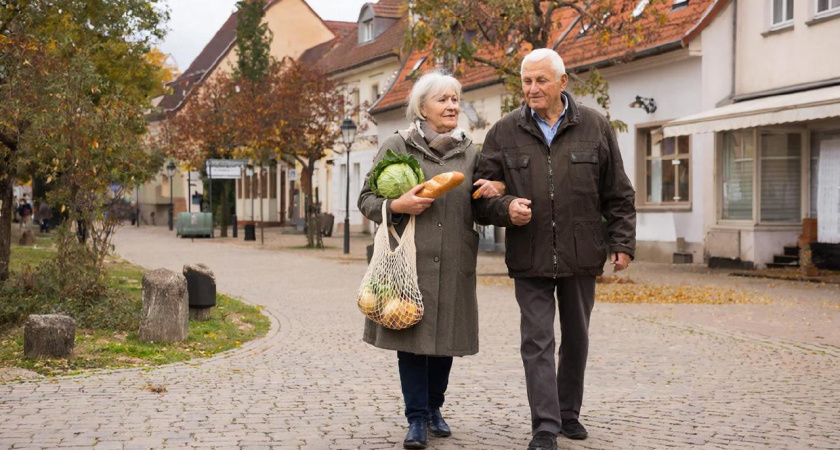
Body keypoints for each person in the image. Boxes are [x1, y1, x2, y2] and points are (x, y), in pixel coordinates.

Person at [473, 48, 636, 450]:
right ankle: (545, 425)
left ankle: (568, 414)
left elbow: (618, 192)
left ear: (563, 82)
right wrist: (506, 208)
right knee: (537, 340)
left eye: (541, 80)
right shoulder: (503, 132)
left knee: (576, 337)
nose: (532, 89)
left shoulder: (595, 126)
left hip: (582, 253)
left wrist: (622, 242)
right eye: (526, 81)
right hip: (529, 254)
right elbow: (480, 196)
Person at [358, 71, 503, 449]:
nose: (452, 105)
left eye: (455, 98)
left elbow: (484, 210)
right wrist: (396, 205)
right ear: (422, 107)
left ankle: (435, 406)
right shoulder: (398, 145)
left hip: (456, 259)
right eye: (443, 99)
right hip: (407, 263)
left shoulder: (472, 152)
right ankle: (417, 418)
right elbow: (366, 201)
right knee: (412, 340)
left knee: (446, 340)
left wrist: (495, 193)